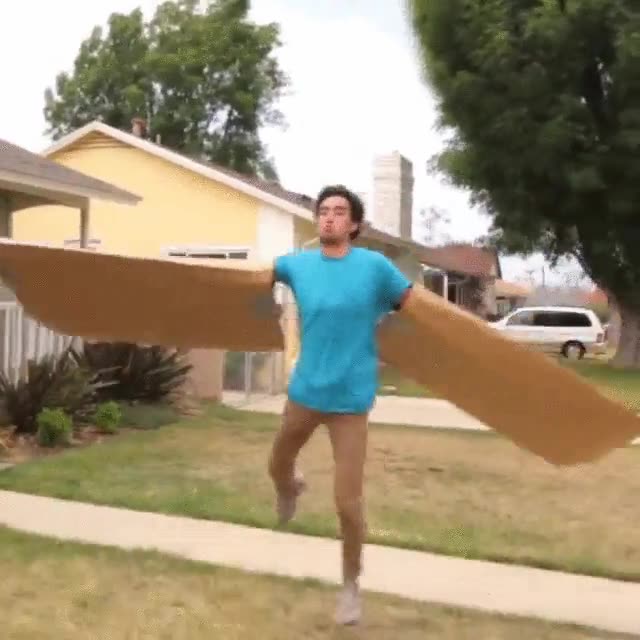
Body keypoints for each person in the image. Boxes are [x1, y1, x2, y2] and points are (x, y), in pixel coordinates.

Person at [269, 184, 413, 625]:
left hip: (351, 400)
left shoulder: (375, 268)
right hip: (305, 392)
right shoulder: (296, 265)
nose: (328, 217)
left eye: (338, 211)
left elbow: (415, 307)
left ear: (354, 224)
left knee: (348, 504)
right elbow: (253, 279)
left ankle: (350, 587)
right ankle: (288, 487)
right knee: (277, 463)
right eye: (323, 211)